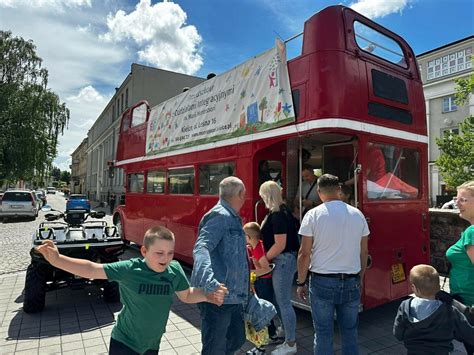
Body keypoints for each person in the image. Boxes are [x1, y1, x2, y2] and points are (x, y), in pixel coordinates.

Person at [34, 226, 226, 355]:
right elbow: (92, 269)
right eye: (159, 253)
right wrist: (57, 260)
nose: (165, 258)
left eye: (170, 253)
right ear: (144, 251)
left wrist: (208, 296)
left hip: (152, 344)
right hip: (124, 343)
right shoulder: (130, 269)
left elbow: (187, 295)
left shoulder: (174, 270)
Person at [296, 174, 369, 355]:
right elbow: (364, 252)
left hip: (322, 282)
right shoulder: (357, 214)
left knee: (323, 333)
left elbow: (304, 254)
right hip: (351, 280)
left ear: (319, 192)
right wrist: (360, 277)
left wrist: (301, 281)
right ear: (339, 190)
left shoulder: (312, 215)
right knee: (350, 332)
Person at [191, 176, 249, 355]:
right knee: (214, 348)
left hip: (235, 296)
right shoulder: (220, 215)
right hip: (218, 297)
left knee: (238, 338)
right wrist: (209, 282)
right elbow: (201, 247)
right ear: (240, 194)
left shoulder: (232, 217)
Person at [393, 264, 474, 355]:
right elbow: (468, 335)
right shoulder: (449, 311)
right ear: (439, 287)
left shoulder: (404, 307)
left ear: (414, 288)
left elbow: (398, 334)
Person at [259, 181, 300, 354]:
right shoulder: (285, 212)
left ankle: (290, 344)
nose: (261, 199)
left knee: (283, 302)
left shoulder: (277, 216)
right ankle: (286, 330)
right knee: (279, 299)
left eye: (262, 195)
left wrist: (264, 259)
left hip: (282, 260)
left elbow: (280, 244)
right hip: (284, 260)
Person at [244, 222, 281, 354]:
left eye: (244, 235)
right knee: (265, 312)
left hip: (263, 283)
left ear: (249, 237)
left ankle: (261, 347)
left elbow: (266, 268)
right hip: (263, 282)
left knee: (261, 313)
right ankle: (272, 335)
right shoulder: (256, 245)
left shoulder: (258, 249)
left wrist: (251, 273)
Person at [446, 180, 474, 354]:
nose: (457, 203)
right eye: (456, 199)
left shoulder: (472, 232)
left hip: (469, 304)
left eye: (463, 199)